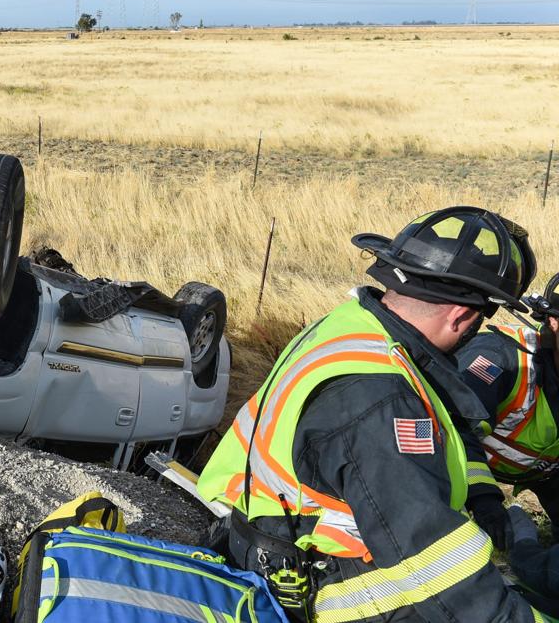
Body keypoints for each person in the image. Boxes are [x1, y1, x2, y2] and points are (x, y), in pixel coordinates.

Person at [197, 206, 547, 623]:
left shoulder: (352, 327)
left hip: (265, 542)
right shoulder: (381, 399)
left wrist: (482, 497)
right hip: (326, 592)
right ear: (463, 318)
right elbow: (439, 570)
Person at [456, 272, 559, 535]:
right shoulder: (498, 358)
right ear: (554, 322)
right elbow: (454, 433)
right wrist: (482, 497)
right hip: (463, 466)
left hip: (546, 473)